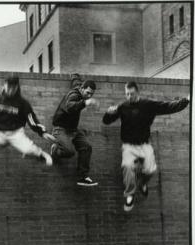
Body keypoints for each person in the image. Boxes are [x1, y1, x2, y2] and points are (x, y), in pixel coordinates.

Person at [102, 81, 189, 212]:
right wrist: (108, 113)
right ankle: (129, 195)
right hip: (129, 146)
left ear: (137, 92)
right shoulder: (123, 106)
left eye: (131, 94)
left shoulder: (148, 105)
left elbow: (168, 106)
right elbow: (106, 121)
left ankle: (142, 182)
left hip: (144, 145)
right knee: (127, 166)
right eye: (127, 94)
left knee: (150, 170)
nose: (129, 97)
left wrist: (186, 100)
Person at [0, 75, 52, 168]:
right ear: (4, 85)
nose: (10, 90)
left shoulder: (23, 103)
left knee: (28, 150)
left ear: (17, 87)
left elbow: (31, 119)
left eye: (13, 88)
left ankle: (41, 155)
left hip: (16, 134)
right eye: (9, 87)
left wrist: (42, 132)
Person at [50, 78, 99, 187]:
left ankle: (83, 177)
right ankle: (55, 151)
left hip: (73, 130)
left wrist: (74, 75)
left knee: (86, 147)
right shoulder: (73, 94)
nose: (89, 96)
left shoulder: (79, 86)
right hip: (61, 129)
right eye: (88, 93)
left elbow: (76, 80)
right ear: (82, 89)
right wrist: (85, 102)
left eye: (91, 94)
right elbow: (70, 107)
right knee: (69, 151)